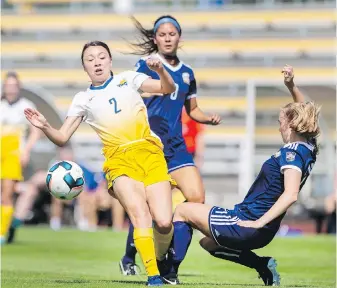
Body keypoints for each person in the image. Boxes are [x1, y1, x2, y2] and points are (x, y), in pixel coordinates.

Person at [24, 40, 176, 286]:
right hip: (119, 159)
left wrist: (160, 70)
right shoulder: (83, 99)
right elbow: (62, 138)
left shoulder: (128, 79)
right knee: (140, 215)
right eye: (90, 59)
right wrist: (45, 126)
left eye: (101, 57)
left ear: (110, 60)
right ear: (84, 67)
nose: (97, 62)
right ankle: (154, 276)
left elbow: (166, 88)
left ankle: (160, 258)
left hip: (150, 153)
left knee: (164, 221)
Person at [159, 65, 321, 286]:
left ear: (292, 123)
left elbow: (291, 195)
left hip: (249, 221)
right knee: (208, 244)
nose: (279, 128)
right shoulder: (308, 147)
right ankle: (263, 266)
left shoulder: (292, 153)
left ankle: (169, 274)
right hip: (261, 227)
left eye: (280, 122)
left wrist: (258, 222)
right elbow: (304, 109)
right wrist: (291, 85)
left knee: (183, 211)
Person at [120, 15, 221, 277]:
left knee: (196, 198)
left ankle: (169, 262)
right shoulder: (145, 64)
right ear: (155, 38)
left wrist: (207, 118)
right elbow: (131, 94)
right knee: (147, 207)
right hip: (150, 147)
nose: (167, 38)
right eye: (162, 34)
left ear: (179, 37)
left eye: (171, 34)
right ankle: (130, 256)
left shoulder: (188, 73)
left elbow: (193, 109)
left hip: (176, 147)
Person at [0, 71, 40, 244]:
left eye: (13, 86)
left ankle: (2, 233)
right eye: (7, 85)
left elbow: (35, 131)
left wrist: (26, 150)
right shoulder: (1, 105)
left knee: (7, 194)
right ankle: (11, 223)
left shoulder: (26, 105)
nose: (10, 89)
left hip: (13, 155)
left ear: (18, 88)